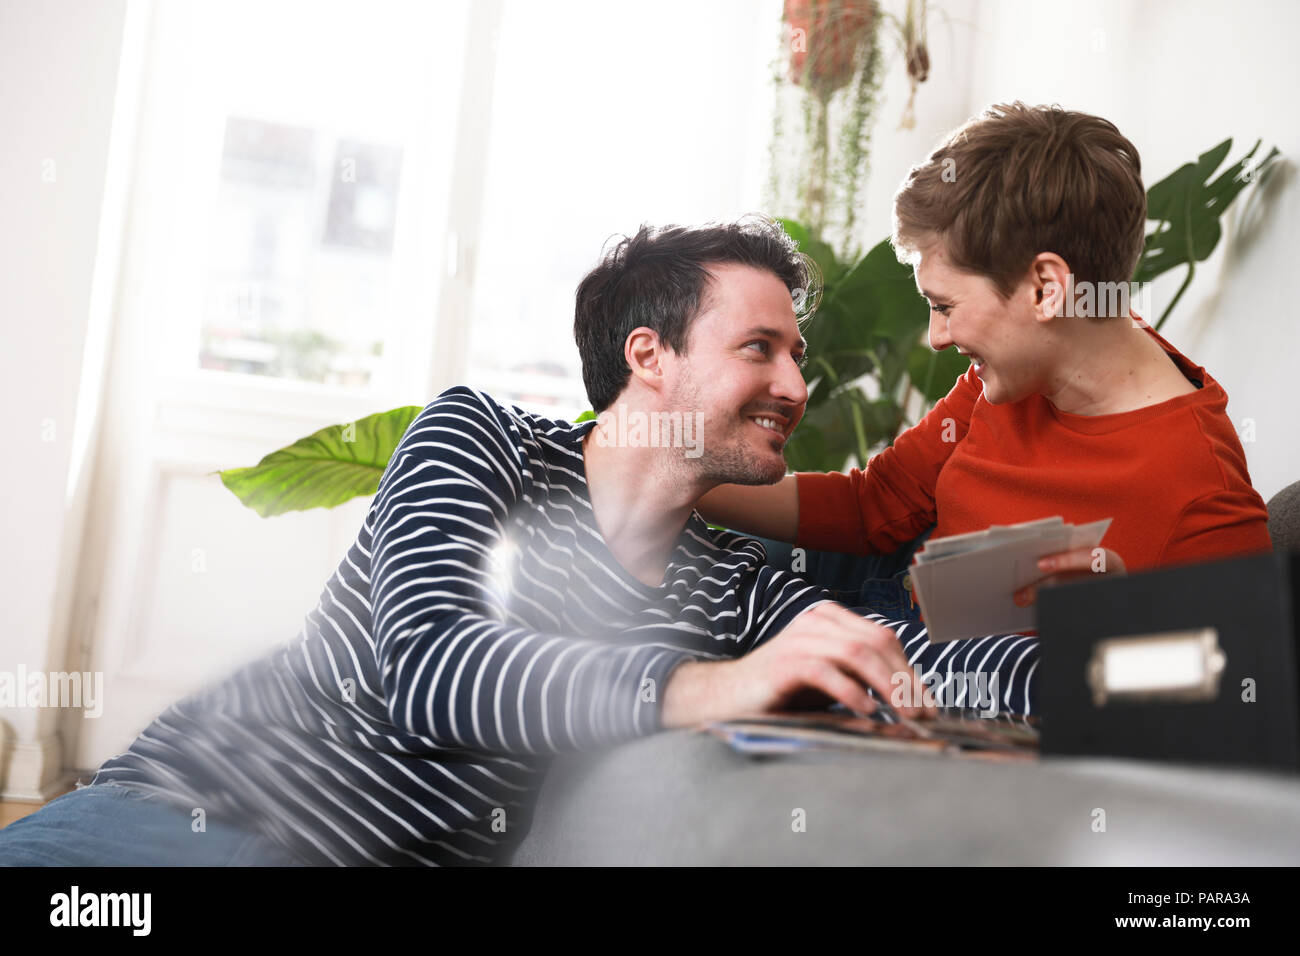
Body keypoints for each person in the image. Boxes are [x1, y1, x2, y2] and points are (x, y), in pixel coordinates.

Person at [1, 217, 954, 868]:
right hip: (192, 818)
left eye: (796, 355)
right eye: (761, 349)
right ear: (649, 356)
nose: (796, 385)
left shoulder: (736, 583)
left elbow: (909, 660)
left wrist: (1095, 657)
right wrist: (713, 685)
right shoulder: (479, 439)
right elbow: (432, 669)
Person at [698, 102, 1272, 637]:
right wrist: (672, 474)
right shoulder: (1005, 379)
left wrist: (1110, 620)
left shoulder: (1204, 504)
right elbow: (873, 505)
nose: (935, 337)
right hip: (891, 608)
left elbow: (1226, 716)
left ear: (1046, 290)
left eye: (945, 306)